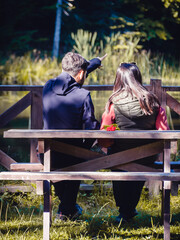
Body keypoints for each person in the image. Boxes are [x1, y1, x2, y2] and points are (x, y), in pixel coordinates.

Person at [99, 62, 169, 223]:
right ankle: (128, 210)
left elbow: (105, 135)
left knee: (118, 168)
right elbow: (163, 132)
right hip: (146, 158)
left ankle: (124, 211)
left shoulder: (113, 104)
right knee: (138, 172)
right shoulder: (154, 103)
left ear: (119, 79)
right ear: (137, 78)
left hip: (118, 157)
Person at [42, 52, 107, 221]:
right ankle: (66, 210)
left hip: (46, 153)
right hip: (71, 157)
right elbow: (92, 128)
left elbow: (72, 77)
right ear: (80, 73)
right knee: (79, 157)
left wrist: (94, 62)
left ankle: (67, 209)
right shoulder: (83, 95)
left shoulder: (48, 87)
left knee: (70, 157)